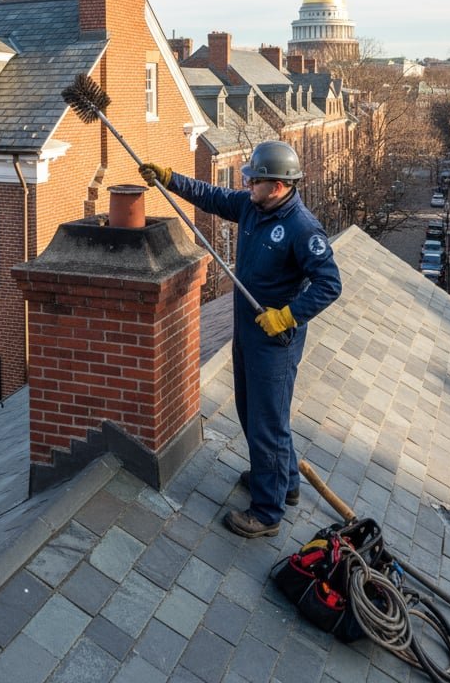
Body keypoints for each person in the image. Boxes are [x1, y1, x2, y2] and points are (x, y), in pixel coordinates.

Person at [139, 140, 341, 538]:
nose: (247, 184)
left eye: (255, 179)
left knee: (269, 422)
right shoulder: (252, 206)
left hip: (274, 342)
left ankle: (267, 511)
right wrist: (169, 178)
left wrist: (286, 316)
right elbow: (211, 196)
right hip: (247, 331)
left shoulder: (302, 227)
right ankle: (287, 483)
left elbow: (329, 284)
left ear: (279, 185)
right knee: (253, 412)